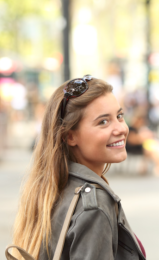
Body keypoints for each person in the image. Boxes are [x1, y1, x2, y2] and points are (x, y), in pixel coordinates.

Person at [11, 76, 146, 260]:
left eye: (119, 116)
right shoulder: (94, 205)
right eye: (103, 122)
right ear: (70, 136)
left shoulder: (52, 187)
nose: (121, 129)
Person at [126, 112, 159, 176]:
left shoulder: (141, 128)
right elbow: (132, 141)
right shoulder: (131, 129)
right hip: (135, 147)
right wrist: (142, 138)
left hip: (143, 145)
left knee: (158, 148)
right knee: (153, 150)